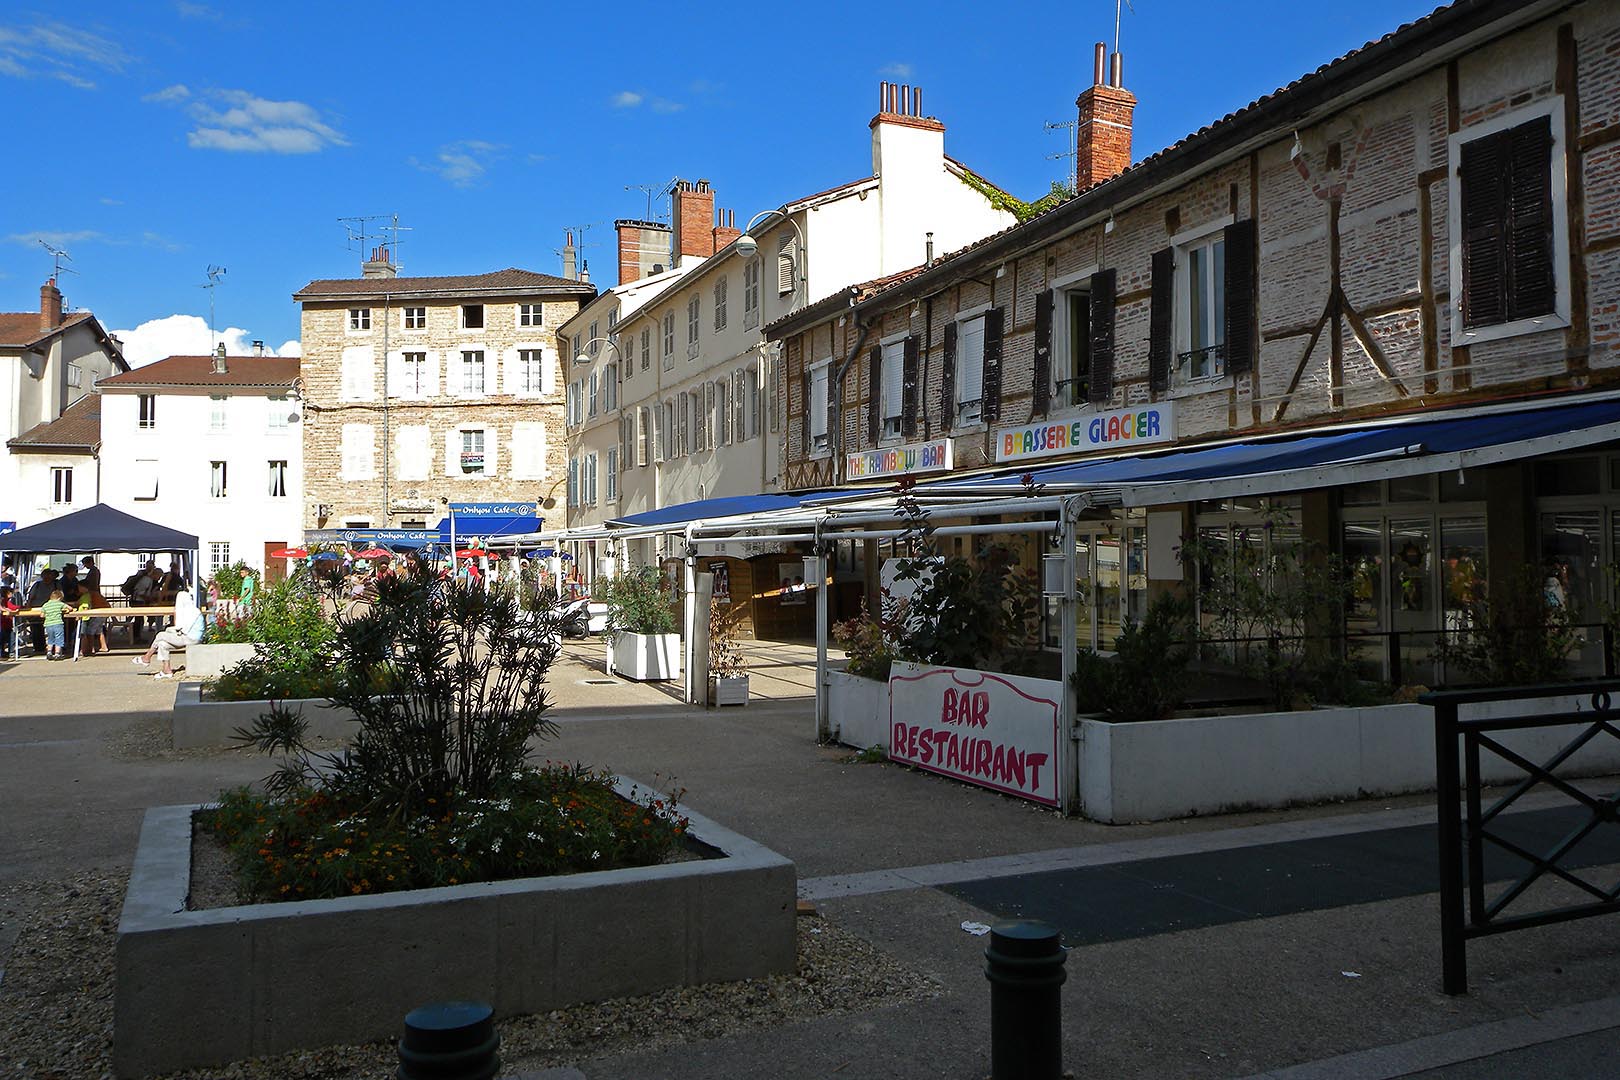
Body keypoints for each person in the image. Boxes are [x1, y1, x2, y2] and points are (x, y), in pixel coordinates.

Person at [133, 587, 203, 679]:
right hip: (189, 637)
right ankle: (167, 670)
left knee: (160, 635)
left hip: (190, 638)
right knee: (162, 644)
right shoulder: (193, 610)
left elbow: (180, 627)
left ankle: (147, 657)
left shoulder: (189, 611)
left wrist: (176, 613)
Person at [24, 568, 57, 655]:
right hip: (36, 609)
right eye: (45, 576)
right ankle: (38, 648)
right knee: (36, 629)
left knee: (52, 629)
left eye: (49, 576)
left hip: (51, 610)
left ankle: (53, 647)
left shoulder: (56, 584)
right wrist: (28, 609)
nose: (47, 578)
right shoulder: (37, 584)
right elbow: (31, 597)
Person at [40, 588, 69, 661]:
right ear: (59, 598)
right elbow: (70, 608)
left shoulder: (45, 604)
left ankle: (49, 652)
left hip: (48, 624)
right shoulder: (59, 604)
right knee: (59, 639)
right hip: (58, 623)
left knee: (50, 639)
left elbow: (42, 615)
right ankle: (57, 654)